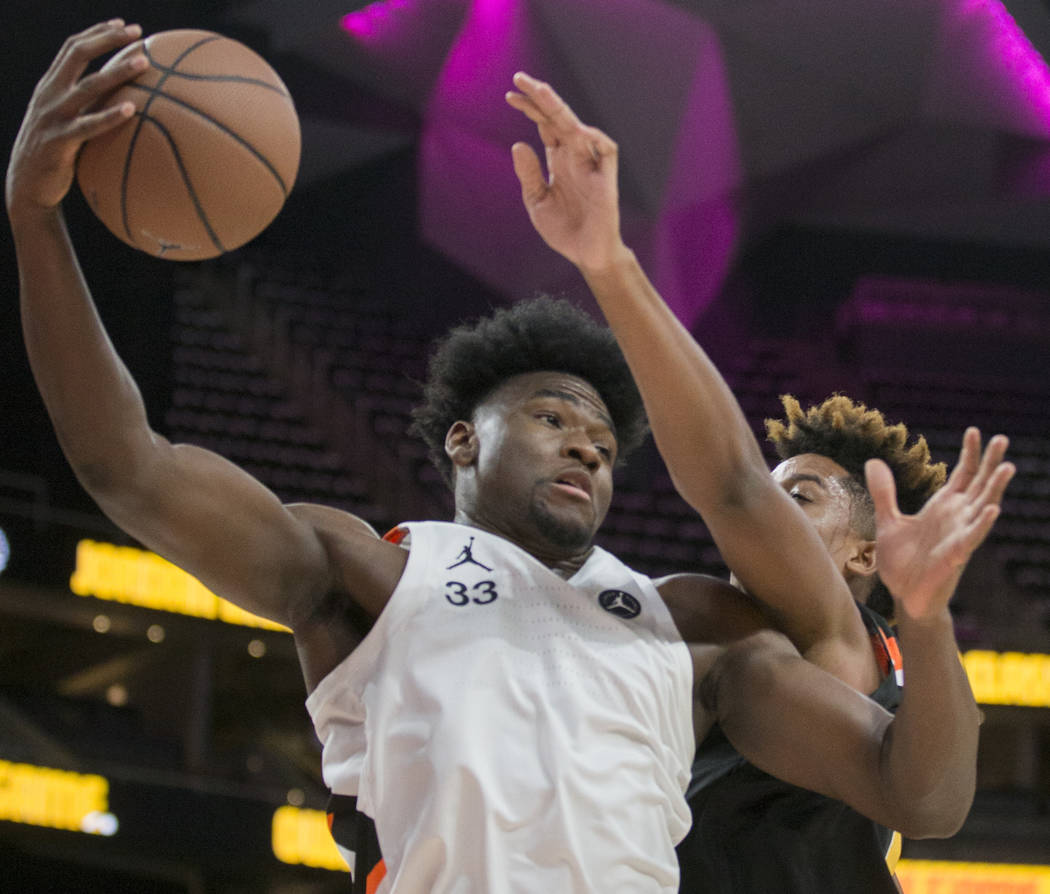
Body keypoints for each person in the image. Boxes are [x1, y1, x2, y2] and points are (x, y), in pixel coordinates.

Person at [7, 23, 1011, 894]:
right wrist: (36, 220)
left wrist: (923, 630)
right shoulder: (371, 575)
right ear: (461, 438)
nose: (585, 441)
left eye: (606, 443)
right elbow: (123, 466)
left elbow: (920, 795)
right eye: (550, 415)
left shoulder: (691, 631)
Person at [505, 71, 1015, 890]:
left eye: (803, 497)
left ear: (862, 553)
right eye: (781, 493)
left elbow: (734, 486)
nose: (774, 512)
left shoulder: (843, 643)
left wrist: (610, 265)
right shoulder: (704, 623)